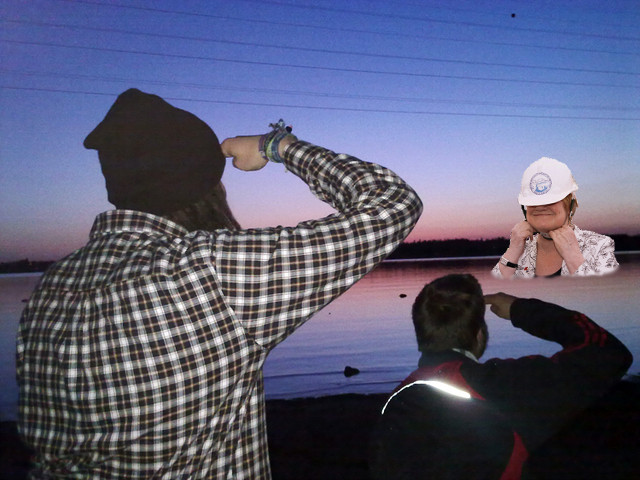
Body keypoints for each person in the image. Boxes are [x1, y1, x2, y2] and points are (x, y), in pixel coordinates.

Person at [16, 88, 423, 479]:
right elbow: (392, 204)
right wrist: (277, 146)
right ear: (205, 186)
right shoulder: (211, 272)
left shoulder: (56, 283)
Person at [370, 274, 632, 480]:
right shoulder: (502, 384)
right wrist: (520, 310)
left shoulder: (396, 400)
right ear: (479, 335)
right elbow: (608, 353)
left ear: (421, 334)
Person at [492, 157, 618, 278]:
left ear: (570, 204)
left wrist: (573, 257)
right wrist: (513, 251)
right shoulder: (519, 249)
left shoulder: (599, 246)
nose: (540, 207)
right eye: (533, 202)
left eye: (551, 200)